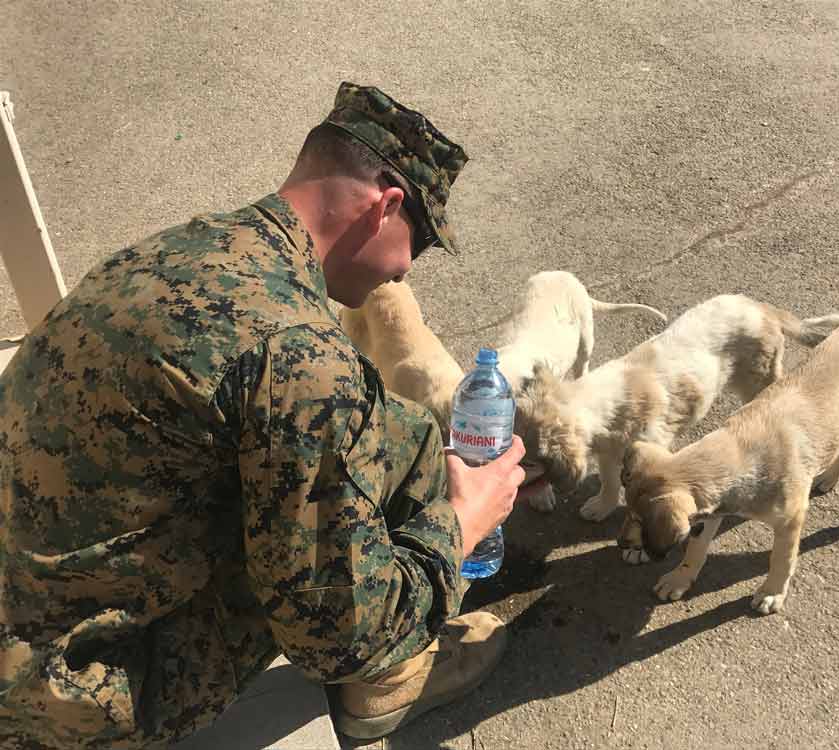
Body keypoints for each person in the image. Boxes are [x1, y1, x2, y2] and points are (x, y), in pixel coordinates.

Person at [0, 82, 525, 748]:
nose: (401, 275)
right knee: (321, 586)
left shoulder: (193, 246)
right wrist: (466, 524)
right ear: (385, 206)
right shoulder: (300, 357)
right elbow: (334, 636)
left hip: (33, 583)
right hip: (53, 689)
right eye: (414, 249)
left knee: (406, 431)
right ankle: (385, 687)